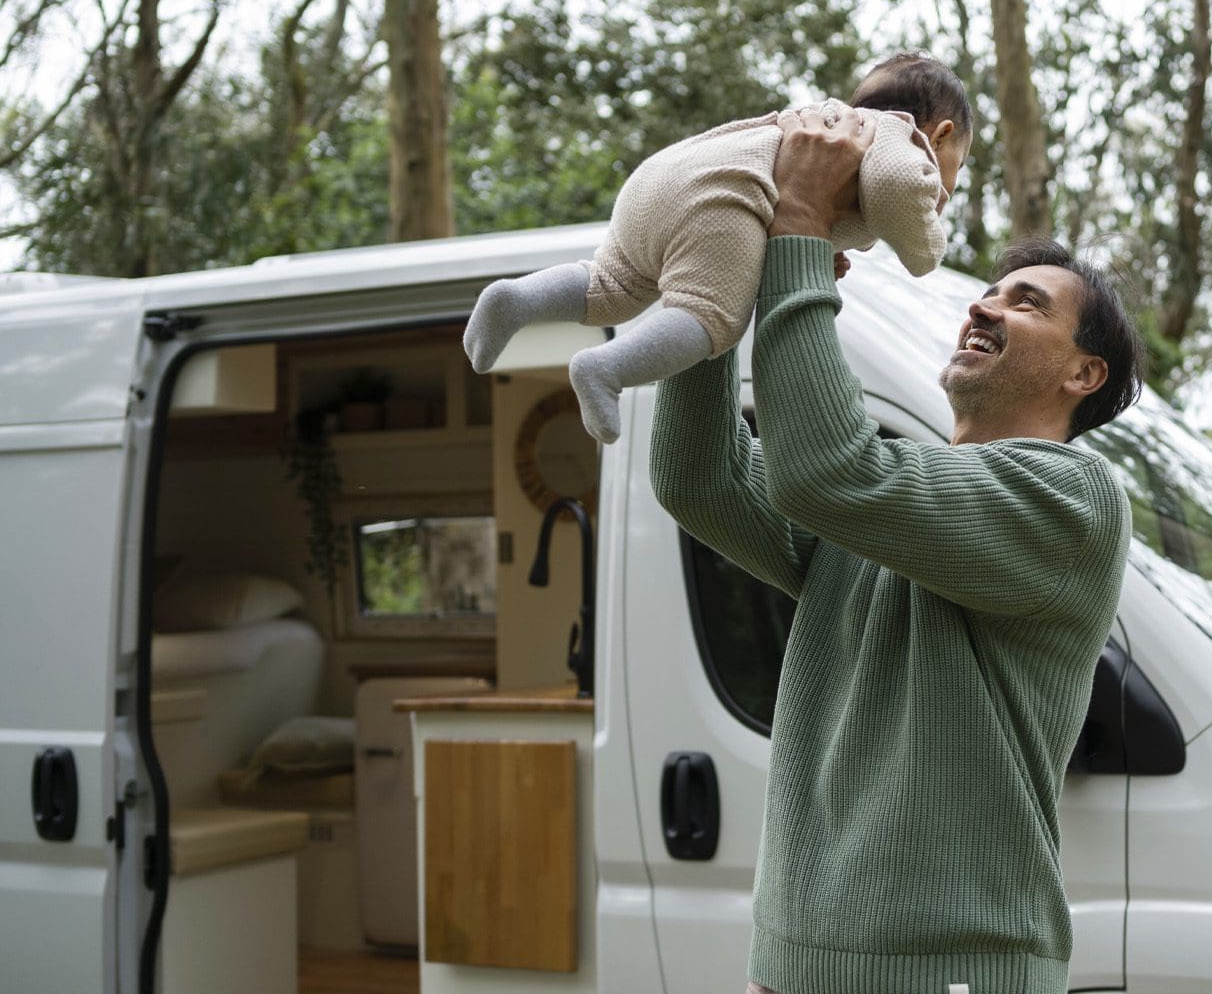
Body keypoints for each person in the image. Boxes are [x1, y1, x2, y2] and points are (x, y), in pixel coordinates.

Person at [649, 106, 1146, 994]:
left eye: (1027, 303)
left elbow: (828, 470)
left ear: (1084, 374)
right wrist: (715, 279)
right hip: (793, 964)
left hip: (950, 975)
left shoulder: (1073, 500)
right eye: (991, 291)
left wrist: (801, 231)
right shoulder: (890, 505)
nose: (984, 304)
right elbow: (700, 480)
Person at [461, 52, 973, 444]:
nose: (948, 181)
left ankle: (516, 299)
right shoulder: (897, 137)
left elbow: (803, 210)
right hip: (722, 196)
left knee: (612, 285)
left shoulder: (828, 126)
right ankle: (606, 369)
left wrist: (818, 250)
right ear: (941, 136)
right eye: (960, 165)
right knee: (712, 316)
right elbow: (894, 189)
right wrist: (927, 245)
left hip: (662, 178)